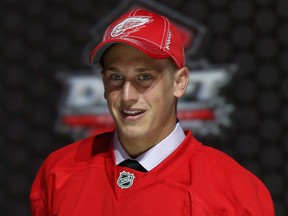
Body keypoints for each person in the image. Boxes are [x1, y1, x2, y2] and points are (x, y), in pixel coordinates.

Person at [30, 9, 275, 216]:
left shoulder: (235, 190)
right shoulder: (58, 171)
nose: (127, 96)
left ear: (180, 82)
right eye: (116, 77)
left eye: (144, 77)